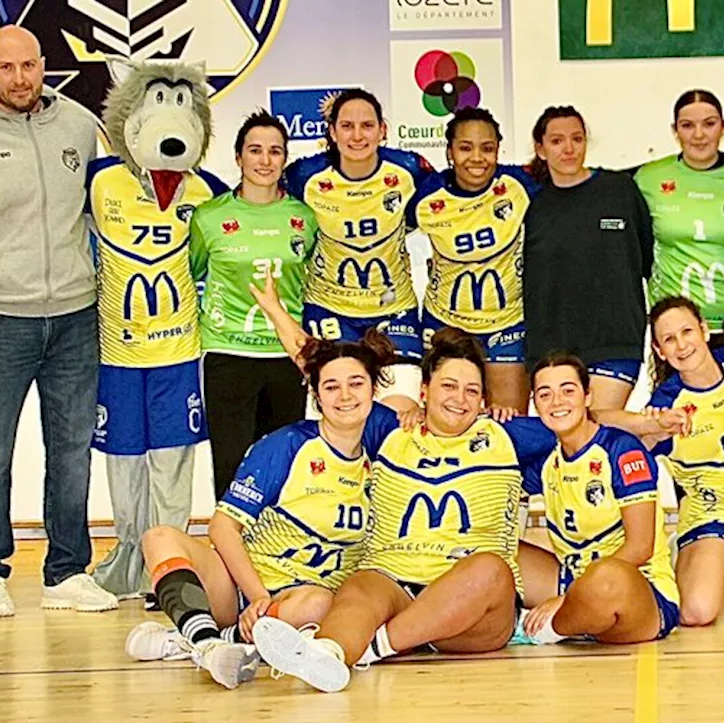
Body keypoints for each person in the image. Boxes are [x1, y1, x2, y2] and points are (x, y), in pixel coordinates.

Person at [250, 329, 556, 693]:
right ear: (424, 391)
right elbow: (334, 376)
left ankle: (373, 647)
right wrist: (274, 310)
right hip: (397, 586)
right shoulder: (391, 429)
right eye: (448, 386)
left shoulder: (506, 436)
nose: (460, 399)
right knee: (362, 584)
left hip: (471, 613)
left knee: (490, 569)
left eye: (472, 391)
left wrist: (644, 423)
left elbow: (583, 429)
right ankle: (326, 653)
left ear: (484, 400)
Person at [0, 26, 116, 617]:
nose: (20, 78)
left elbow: (104, 210)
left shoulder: (75, 125)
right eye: (7, 68)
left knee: (72, 451)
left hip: (73, 316)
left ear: (45, 65)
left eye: (29, 66)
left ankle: (66, 570)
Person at [122, 335, 400, 688]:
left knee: (319, 604)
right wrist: (257, 597)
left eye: (356, 384)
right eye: (331, 386)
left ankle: (201, 640)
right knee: (158, 537)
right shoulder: (286, 445)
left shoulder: (388, 450)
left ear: (374, 389)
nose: (345, 396)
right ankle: (209, 643)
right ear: (316, 396)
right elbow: (222, 528)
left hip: (300, 600)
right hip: (243, 585)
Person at [85, 59, 229, 602]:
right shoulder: (100, 182)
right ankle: (127, 556)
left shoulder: (207, 191)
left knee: (172, 462)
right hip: (116, 352)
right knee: (123, 461)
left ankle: (170, 562)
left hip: (177, 351)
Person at [190, 111, 318, 500]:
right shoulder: (210, 217)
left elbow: (309, 279)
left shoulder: (304, 217)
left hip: (287, 354)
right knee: (231, 466)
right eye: (255, 150)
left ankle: (275, 553)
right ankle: (230, 557)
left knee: (281, 465)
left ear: (284, 159)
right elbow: (195, 270)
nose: (265, 160)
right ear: (238, 157)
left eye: (275, 151)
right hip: (228, 354)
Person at [615, 297, 724, 626]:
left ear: (704, 330)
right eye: (669, 339)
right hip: (715, 521)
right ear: (659, 350)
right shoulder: (667, 404)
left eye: (687, 331)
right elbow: (599, 422)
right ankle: (714, 554)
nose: (682, 345)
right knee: (696, 613)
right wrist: (646, 426)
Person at [515, 354, 679, 644]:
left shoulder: (621, 449)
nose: (557, 402)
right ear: (535, 404)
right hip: (573, 578)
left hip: (638, 589)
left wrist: (566, 599)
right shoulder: (546, 463)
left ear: (587, 397)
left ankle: (543, 630)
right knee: (494, 556)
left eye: (568, 390)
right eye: (545, 394)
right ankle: (522, 622)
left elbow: (640, 548)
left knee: (606, 577)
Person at [284, 89, 431, 400]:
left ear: (383, 130)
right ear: (332, 132)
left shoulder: (409, 169)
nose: (357, 136)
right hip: (329, 308)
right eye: (347, 126)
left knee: (398, 416)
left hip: (393, 309)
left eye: (367, 125)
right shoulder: (304, 176)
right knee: (339, 409)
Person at [524, 106, 653, 411]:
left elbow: (645, 256)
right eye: (557, 141)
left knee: (597, 427)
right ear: (540, 149)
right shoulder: (531, 204)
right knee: (568, 440)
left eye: (577, 139)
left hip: (615, 339)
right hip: (553, 348)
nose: (569, 149)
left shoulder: (620, 190)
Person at [409, 108, 538, 412]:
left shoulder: (519, 184)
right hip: (446, 322)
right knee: (445, 422)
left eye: (487, 148)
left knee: (509, 423)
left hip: (507, 324)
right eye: (465, 148)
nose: (477, 158)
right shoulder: (426, 195)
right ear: (449, 152)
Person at [634, 89, 724, 334]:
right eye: (687, 125)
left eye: (709, 124)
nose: (699, 135)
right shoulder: (648, 178)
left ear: (723, 127)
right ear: (675, 130)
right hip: (673, 326)